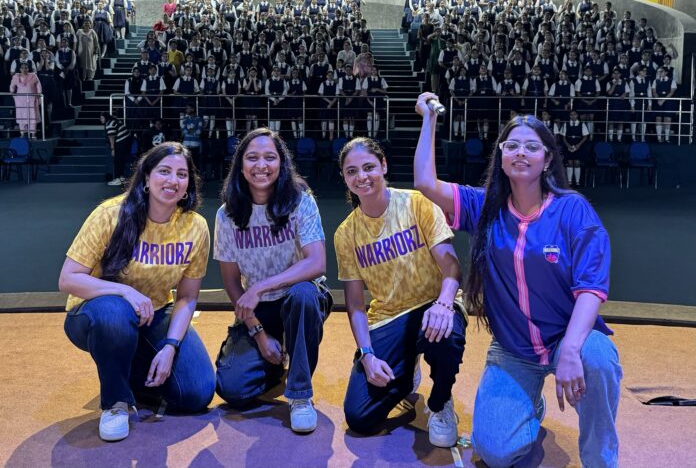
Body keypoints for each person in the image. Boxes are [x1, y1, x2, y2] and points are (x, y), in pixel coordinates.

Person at [414, 91, 622, 468]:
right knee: (494, 452)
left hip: (567, 338)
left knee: (597, 358)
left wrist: (571, 349)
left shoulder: (572, 209)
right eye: (511, 146)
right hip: (514, 349)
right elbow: (426, 183)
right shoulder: (484, 207)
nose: (520, 153)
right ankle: (531, 404)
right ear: (501, 155)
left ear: (547, 159)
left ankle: (601, 461)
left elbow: (591, 288)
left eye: (531, 146)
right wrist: (429, 120)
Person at [58, 143, 215, 442]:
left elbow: (187, 297)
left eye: (181, 174)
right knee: (115, 312)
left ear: (188, 185)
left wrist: (170, 347)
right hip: (97, 313)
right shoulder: (110, 214)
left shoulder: (196, 227)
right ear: (146, 177)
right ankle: (116, 403)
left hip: (155, 313)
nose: (173, 180)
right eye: (164, 171)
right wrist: (123, 292)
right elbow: (68, 279)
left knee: (196, 393)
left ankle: (127, 369)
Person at [334, 137, 466, 448]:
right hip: (389, 317)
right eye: (352, 171)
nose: (362, 176)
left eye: (369, 167)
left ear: (384, 165)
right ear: (344, 177)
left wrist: (445, 304)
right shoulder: (346, 234)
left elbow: (452, 268)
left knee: (446, 335)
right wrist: (366, 355)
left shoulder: (418, 203)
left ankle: (440, 403)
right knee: (360, 417)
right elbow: (355, 306)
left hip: (433, 304)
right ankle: (406, 372)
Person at [214, 128, 332, 433]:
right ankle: (277, 360)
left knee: (303, 294)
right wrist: (258, 334)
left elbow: (317, 262)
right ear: (241, 166)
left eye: (270, 157)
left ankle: (300, 394)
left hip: (300, 298)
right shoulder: (227, 215)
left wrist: (260, 286)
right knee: (232, 389)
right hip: (259, 310)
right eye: (252, 158)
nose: (261, 165)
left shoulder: (300, 201)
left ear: (282, 162)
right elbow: (231, 282)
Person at [10, 61, 42, 138]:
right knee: (21, 115)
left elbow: (38, 85)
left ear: (28, 69)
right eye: (22, 68)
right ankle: (22, 133)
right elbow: (12, 86)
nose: (24, 69)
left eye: (26, 68)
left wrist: (38, 94)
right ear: (20, 69)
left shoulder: (33, 76)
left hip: (32, 98)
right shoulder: (16, 76)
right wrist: (12, 93)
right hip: (20, 100)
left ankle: (33, 134)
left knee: (32, 115)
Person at [100, 112, 132, 186]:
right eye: (100, 118)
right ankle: (121, 177)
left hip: (122, 141)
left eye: (102, 118)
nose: (101, 120)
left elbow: (111, 137)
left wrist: (112, 149)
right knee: (120, 159)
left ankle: (118, 178)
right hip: (126, 139)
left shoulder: (109, 124)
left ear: (106, 118)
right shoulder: (113, 120)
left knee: (117, 160)